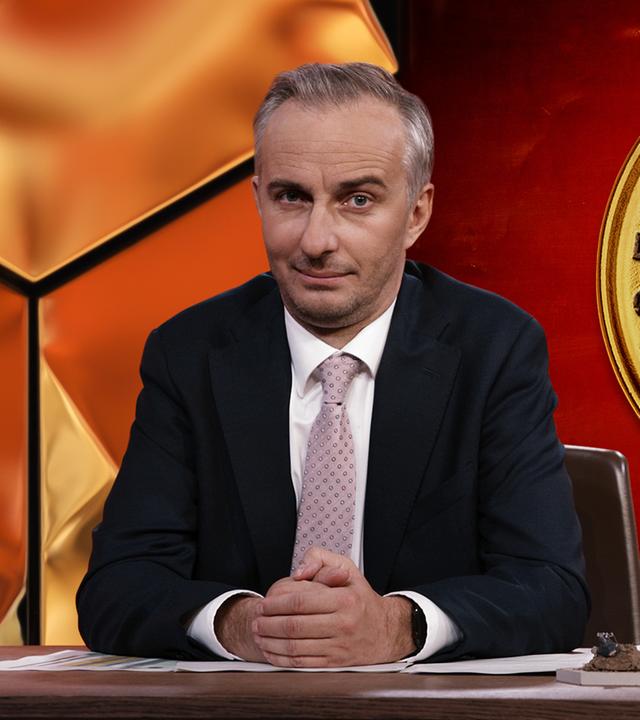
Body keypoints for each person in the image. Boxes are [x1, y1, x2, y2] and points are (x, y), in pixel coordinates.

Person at [77, 62, 589, 667]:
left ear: (417, 214)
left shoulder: (495, 348)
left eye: (358, 200)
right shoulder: (188, 352)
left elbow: (551, 589)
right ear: (258, 199)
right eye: (291, 197)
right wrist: (243, 625)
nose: (317, 240)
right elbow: (116, 588)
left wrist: (395, 627)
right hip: (241, 707)